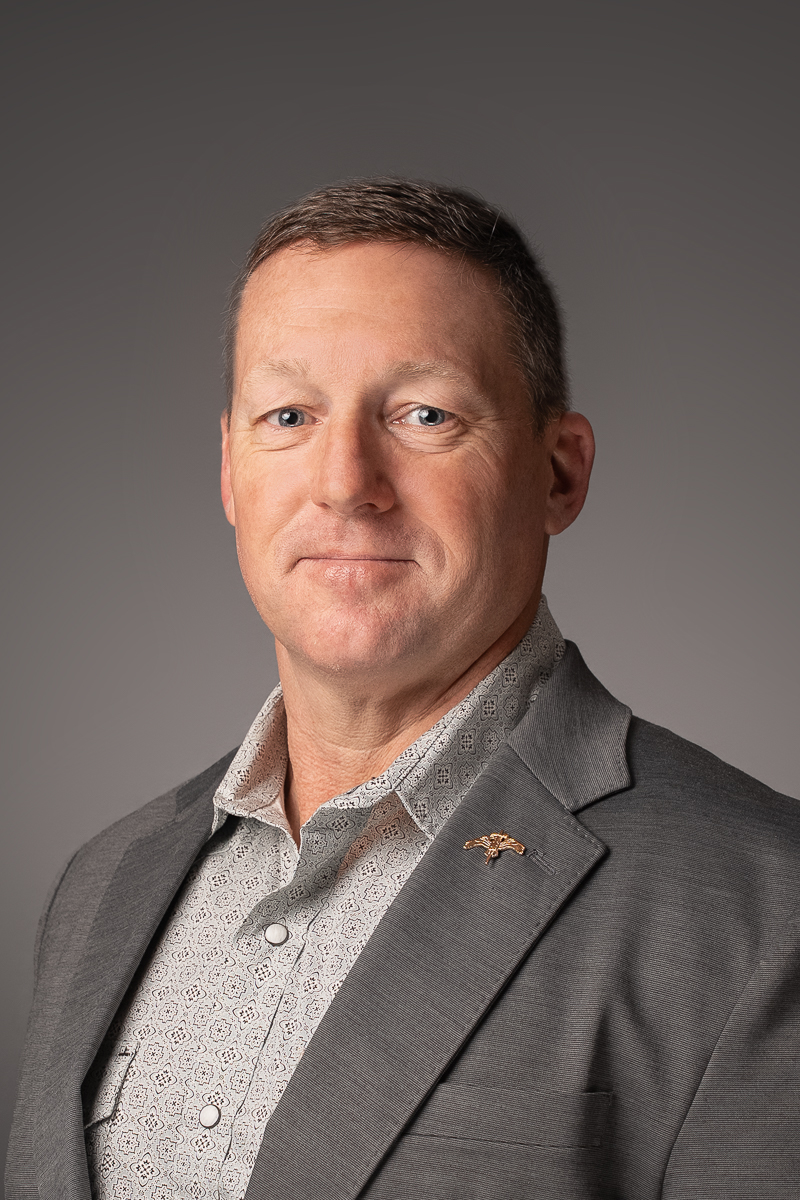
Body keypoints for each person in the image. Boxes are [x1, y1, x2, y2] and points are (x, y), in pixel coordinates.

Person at [6, 178, 800, 1200]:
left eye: (425, 414)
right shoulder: (103, 884)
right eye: (288, 415)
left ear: (558, 472)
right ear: (230, 471)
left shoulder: (761, 908)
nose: (345, 481)